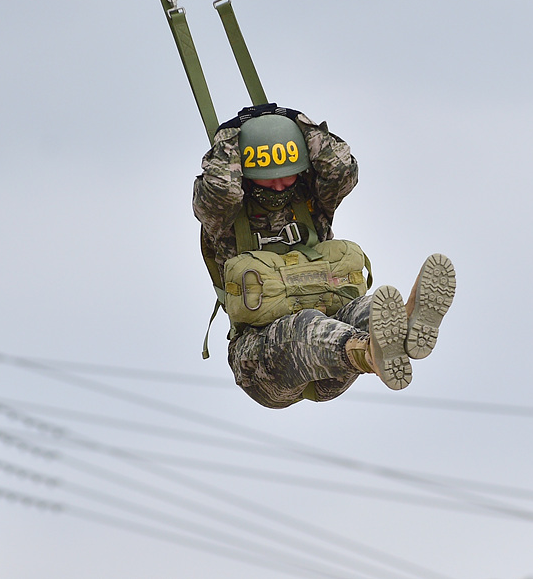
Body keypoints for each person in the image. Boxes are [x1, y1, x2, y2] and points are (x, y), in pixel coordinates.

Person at [193, 103, 456, 409]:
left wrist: (299, 124)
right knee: (305, 325)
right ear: (248, 174)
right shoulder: (223, 216)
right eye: (269, 177)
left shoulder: (310, 200)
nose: (279, 185)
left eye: (287, 175)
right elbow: (220, 188)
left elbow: (342, 168)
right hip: (262, 363)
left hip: (332, 355)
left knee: (373, 306)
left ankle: (406, 326)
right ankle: (371, 352)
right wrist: (229, 136)